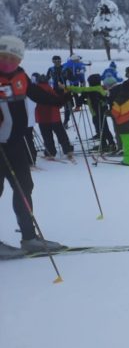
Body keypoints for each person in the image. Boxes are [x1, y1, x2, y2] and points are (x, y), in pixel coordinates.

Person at [0, 36, 66, 257]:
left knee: (24, 187)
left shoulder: (20, 76)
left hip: (16, 144)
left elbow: (36, 94)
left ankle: (29, 237)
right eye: (4, 57)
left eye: (13, 57)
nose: (8, 61)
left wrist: (58, 99)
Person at [64, 74, 115, 152]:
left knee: (100, 129)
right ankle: (111, 143)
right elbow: (100, 99)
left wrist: (68, 88)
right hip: (103, 111)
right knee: (105, 128)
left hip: (96, 112)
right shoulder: (99, 88)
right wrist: (86, 102)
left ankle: (104, 145)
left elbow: (80, 90)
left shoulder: (91, 89)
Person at [32, 73, 75, 159]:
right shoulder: (50, 89)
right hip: (54, 116)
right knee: (61, 133)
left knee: (47, 135)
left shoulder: (35, 90)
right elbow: (58, 102)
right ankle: (68, 150)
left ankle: (50, 152)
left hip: (42, 118)